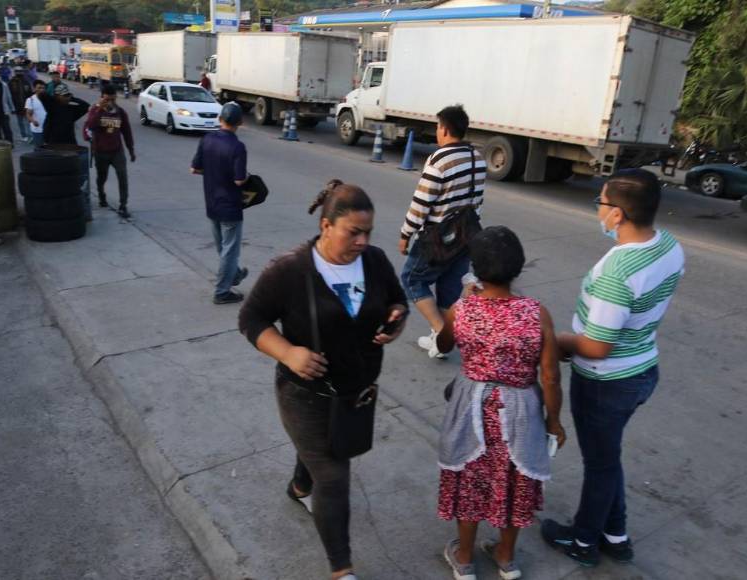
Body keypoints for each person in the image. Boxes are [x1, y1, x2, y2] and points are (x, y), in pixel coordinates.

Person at [238, 180, 408, 580]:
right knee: (333, 476)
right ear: (327, 225)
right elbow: (251, 319)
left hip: (355, 391)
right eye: (354, 232)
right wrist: (288, 352)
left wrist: (396, 321)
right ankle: (342, 570)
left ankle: (299, 486)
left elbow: (397, 299)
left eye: (368, 232)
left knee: (319, 454)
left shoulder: (376, 261)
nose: (363, 241)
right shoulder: (291, 270)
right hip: (304, 393)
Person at [541, 169, 685, 566]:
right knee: (608, 457)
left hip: (607, 382)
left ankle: (584, 541)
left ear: (618, 214)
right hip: (642, 370)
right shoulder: (668, 246)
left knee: (600, 464)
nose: (599, 211)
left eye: (601, 203)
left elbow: (595, 346)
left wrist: (552, 342)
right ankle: (615, 535)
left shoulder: (617, 272)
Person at [435, 226, 565, 580]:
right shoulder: (537, 314)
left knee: (470, 479)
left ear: (474, 268)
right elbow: (550, 376)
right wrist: (554, 421)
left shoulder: (461, 311)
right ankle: (506, 557)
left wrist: (462, 300)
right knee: (514, 479)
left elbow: (444, 346)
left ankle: (464, 558)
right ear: (518, 267)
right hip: (520, 410)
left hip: (471, 409)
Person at [398, 104, 486, 359]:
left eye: (438, 126)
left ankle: (442, 335)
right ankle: (439, 338)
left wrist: (406, 234)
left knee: (412, 279)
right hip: (467, 235)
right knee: (448, 287)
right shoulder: (477, 158)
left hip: (438, 237)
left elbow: (421, 204)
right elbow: (478, 199)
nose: (437, 131)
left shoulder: (439, 160)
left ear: (445, 129)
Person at [190, 102, 250, 304]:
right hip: (230, 206)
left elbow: (195, 169)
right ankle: (222, 292)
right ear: (240, 122)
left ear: (220, 119)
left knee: (224, 249)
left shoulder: (207, 139)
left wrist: (214, 171)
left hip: (212, 203)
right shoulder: (237, 147)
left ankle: (234, 275)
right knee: (229, 250)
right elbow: (239, 180)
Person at [84, 83, 135, 219]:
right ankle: (102, 195)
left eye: (113, 99)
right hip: (101, 151)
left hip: (117, 151)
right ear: (101, 98)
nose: (110, 102)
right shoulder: (94, 110)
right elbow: (90, 126)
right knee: (102, 178)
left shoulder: (120, 112)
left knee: (122, 177)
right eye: (107, 99)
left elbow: (127, 132)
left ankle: (123, 205)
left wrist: (131, 150)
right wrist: (100, 108)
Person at [8, 66, 32, 143]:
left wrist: (30, 105)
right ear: (15, 72)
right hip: (17, 106)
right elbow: (9, 96)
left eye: (20, 71)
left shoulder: (26, 81)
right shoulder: (11, 82)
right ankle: (24, 135)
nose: (19, 73)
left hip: (26, 106)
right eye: (17, 71)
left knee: (28, 121)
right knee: (20, 122)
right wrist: (11, 107)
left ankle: (30, 136)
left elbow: (30, 94)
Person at [25, 79, 47, 147]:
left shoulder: (49, 99)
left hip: (48, 129)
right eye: (39, 88)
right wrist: (33, 121)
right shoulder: (30, 100)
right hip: (37, 130)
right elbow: (28, 114)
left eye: (43, 88)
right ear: (34, 89)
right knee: (39, 149)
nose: (41, 90)